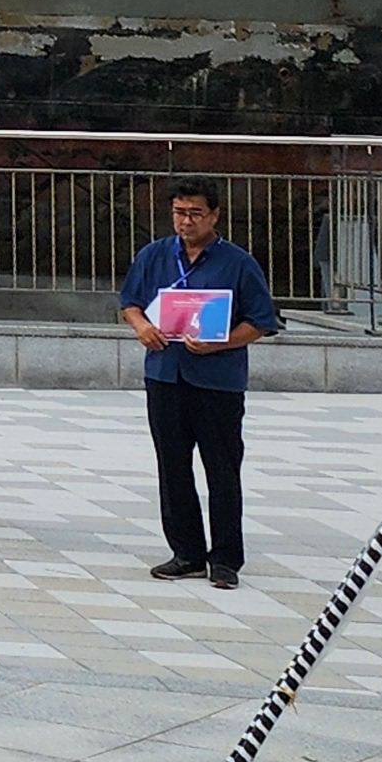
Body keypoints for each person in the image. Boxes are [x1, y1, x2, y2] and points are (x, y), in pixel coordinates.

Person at [120, 178, 281, 588]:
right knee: (172, 466)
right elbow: (130, 303)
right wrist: (141, 327)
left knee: (222, 468)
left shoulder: (238, 262)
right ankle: (186, 552)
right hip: (165, 374)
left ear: (214, 215)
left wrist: (220, 343)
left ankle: (225, 558)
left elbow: (262, 321)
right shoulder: (155, 254)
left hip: (217, 380)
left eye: (195, 213)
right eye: (179, 212)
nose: (186, 221)